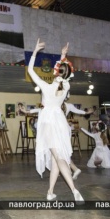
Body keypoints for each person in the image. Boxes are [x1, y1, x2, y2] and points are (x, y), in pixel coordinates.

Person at [27, 38, 84, 203]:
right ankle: (50, 192)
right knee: (55, 160)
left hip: (48, 123)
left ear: (56, 71)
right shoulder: (66, 87)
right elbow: (63, 73)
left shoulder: (46, 86)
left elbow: (30, 70)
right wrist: (63, 56)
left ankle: (74, 190)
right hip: (59, 123)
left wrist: (35, 51)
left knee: (59, 158)